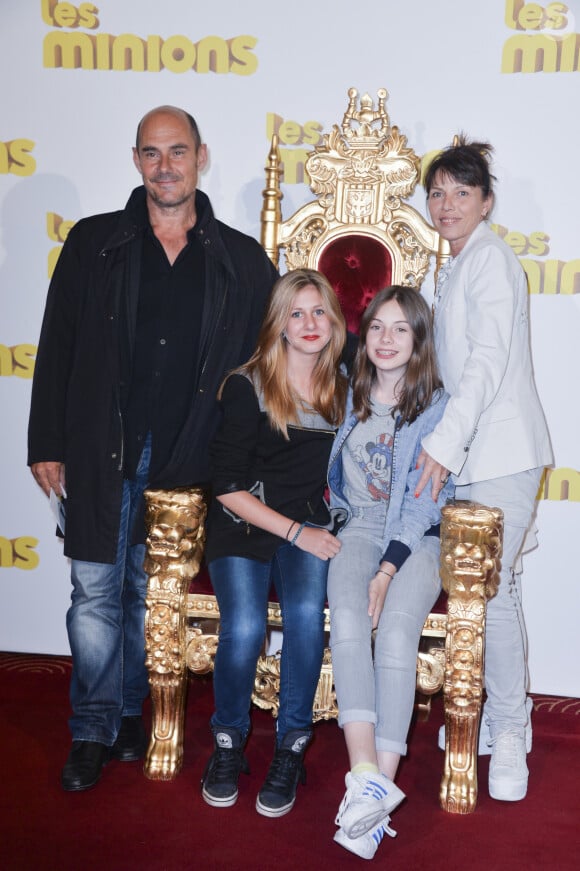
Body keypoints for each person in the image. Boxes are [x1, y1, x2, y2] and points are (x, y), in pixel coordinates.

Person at [27, 105, 277, 792]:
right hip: (98, 446)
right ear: (137, 160)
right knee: (93, 591)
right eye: (151, 153)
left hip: (187, 459)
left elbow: (267, 370)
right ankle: (91, 726)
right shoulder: (93, 243)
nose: (165, 165)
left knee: (148, 594)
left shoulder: (241, 259)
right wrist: (45, 438)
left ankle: (131, 714)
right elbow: (58, 346)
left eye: (177, 151)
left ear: (200, 156)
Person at [415, 136, 552, 802]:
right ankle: (502, 721)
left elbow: (484, 366)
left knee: (492, 596)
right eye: (437, 193)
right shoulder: (457, 266)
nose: (446, 204)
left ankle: (510, 732)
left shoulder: (491, 261)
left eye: (460, 193)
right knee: (498, 593)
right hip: (478, 454)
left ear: (486, 201)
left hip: (498, 453)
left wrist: (440, 445)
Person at [201, 268, 348, 818]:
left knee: (307, 616)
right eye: (296, 313)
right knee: (244, 626)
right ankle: (228, 741)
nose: (309, 324)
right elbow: (228, 489)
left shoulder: (345, 386)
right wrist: (296, 532)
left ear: (334, 320)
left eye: (319, 311)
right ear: (279, 323)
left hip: (308, 526)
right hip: (245, 524)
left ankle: (290, 747)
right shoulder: (248, 383)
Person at [327, 286, 454, 861]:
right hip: (356, 528)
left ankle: (377, 790)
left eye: (401, 329)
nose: (386, 339)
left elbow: (425, 504)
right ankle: (366, 785)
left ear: (419, 340)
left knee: (399, 629)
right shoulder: (345, 394)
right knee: (349, 621)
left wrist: (387, 569)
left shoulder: (438, 407)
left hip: (419, 538)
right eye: (377, 326)